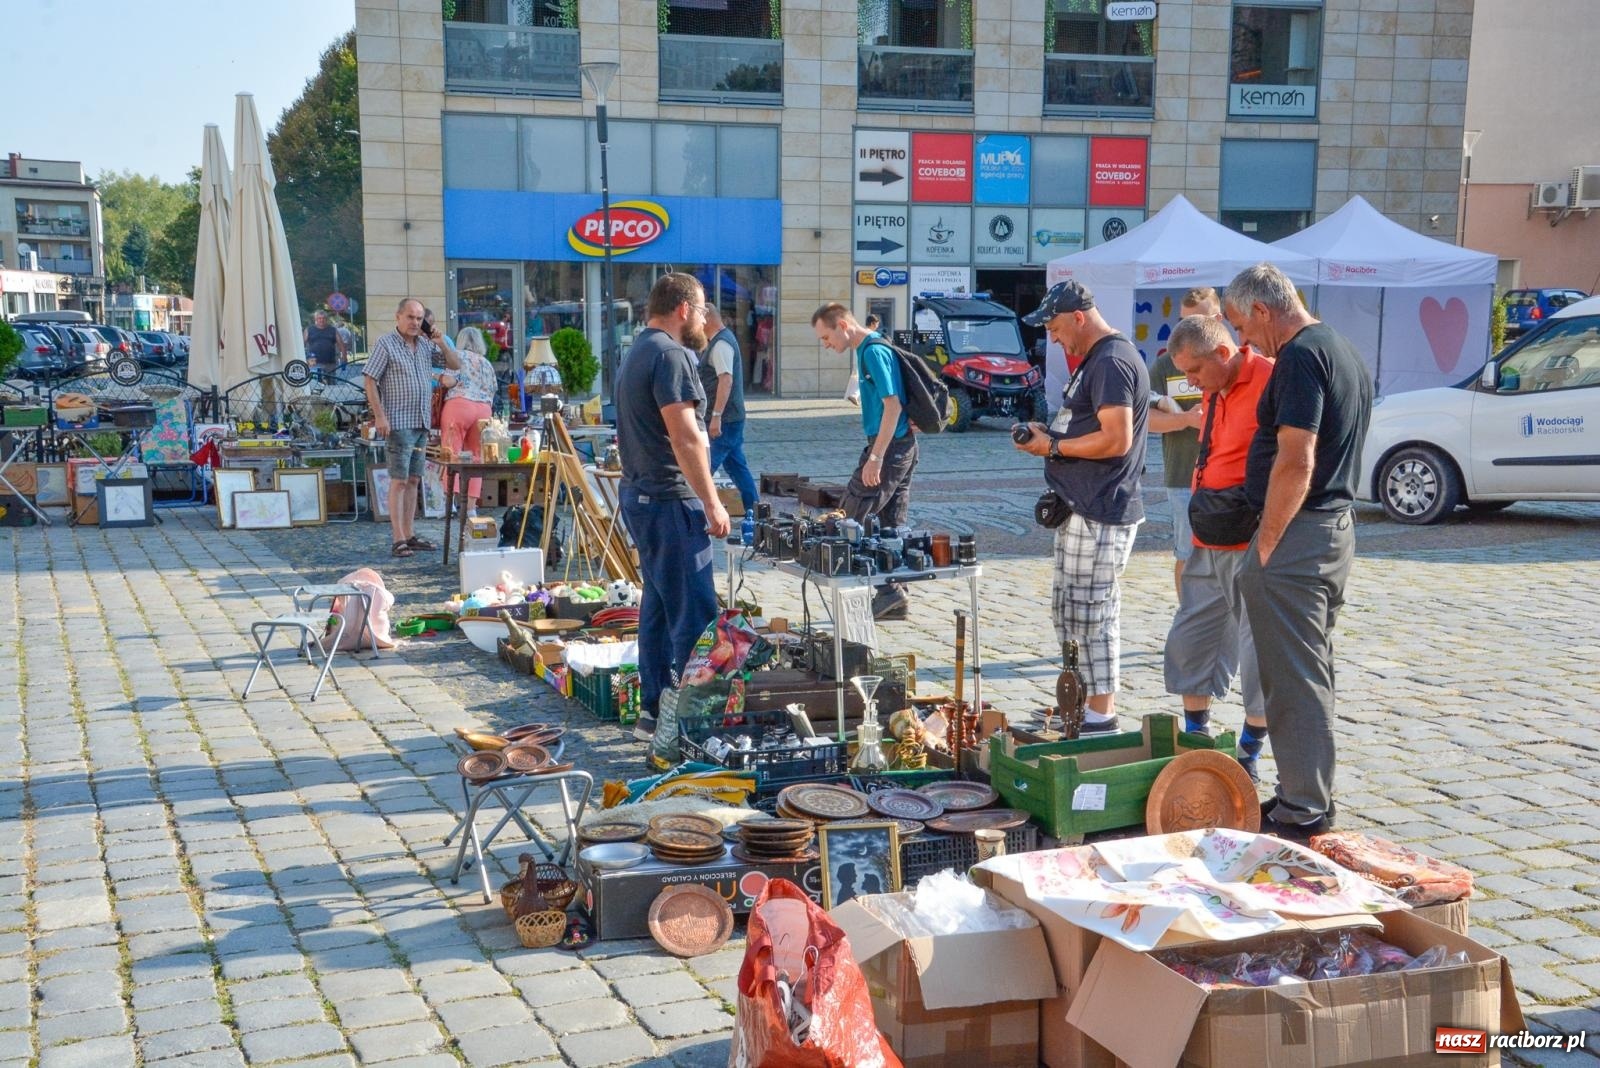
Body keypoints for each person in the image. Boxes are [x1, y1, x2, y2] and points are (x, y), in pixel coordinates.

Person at [1224, 262, 1374, 838]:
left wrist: (1265, 544)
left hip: (1300, 533)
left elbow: (1297, 458)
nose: (1243, 340)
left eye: (1242, 325)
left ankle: (1303, 807)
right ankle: (1305, 797)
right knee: (1308, 670)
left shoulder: (1301, 354)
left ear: (1264, 310)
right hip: (1330, 527)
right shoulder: (1340, 347)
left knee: (1293, 678)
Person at [1012, 280, 1148, 732]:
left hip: (1100, 509)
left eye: (1053, 327)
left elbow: (1116, 438)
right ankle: (1080, 702)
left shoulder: (1110, 360)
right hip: (1082, 506)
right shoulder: (1098, 359)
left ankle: (1100, 714)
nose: (1052, 337)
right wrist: (1051, 438)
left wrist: (1053, 447)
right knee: (1069, 610)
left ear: (1078, 317)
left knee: (1092, 613)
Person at [616, 273, 730, 744]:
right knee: (695, 614)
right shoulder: (671, 354)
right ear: (683, 308)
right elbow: (684, 436)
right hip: (669, 500)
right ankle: (690, 727)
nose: (705, 318)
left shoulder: (638, 351)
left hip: (643, 495)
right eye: (702, 309)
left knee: (659, 608)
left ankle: (652, 712)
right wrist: (712, 501)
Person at [1159, 315, 1275, 781]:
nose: (1189, 381)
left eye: (1194, 371)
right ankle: (1198, 736)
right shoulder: (1214, 385)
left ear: (1222, 354)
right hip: (1208, 532)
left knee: (1258, 650)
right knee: (1191, 637)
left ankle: (1250, 749)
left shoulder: (1269, 377)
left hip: (1250, 537)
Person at [812, 303, 916, 621]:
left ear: (843, 325)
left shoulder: (871, 351)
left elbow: (893, 406)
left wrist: (875, 457)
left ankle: (886, 592)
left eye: (826, 337)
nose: (826, 344)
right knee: (891, 523)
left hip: (889, 449)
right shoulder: (869, 348)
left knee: (850, 516)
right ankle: (893, 593)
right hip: (898, 447)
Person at [363, 299, 462, 558]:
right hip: (397, 421)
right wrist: (380, 416)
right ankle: (398, 539)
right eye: (410, 317)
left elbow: (455, 365)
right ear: (398, 317)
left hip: (421, 421)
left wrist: (440, 341)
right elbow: (370, 380)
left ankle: (409, 533)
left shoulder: (426, 345)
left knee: (414, 479)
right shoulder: (386, 344)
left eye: (419, 319)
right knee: (398, 480)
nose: (415, 323)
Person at [1147, 288, 1217, 593]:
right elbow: (1144, 420)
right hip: (1182, 478)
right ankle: (1189, 621)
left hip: (1230, 479)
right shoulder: (1165, 365)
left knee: (1226, 557)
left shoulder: (1235, 362)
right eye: (1182, 322)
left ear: (1218, 319)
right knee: (1187, 554)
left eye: (1196, 321)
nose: (1187, 330)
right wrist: (1185, 419)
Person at [699, 303, 759, 514]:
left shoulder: (721, 344)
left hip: (725, 420)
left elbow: (726, 380)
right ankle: (757, 510)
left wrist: (716, 416)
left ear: (706, 319)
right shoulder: (720, 341)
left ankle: (694, 512)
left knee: (705, 469)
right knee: (736, 466)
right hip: (730, 418)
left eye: (698, 318)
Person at [439, 326, 498, 518]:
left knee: (451, 453)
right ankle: (471, 508)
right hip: (483, 410)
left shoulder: (457, 356)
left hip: (460, 405)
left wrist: (436, 377)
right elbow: (493, 389)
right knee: (476, 457)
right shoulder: (486, 363)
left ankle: (449, 504)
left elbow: (449, 381)